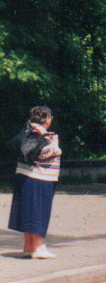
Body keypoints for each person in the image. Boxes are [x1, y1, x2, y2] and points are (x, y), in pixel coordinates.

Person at [7, 106, 62, 259]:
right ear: (47, 119)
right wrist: (55, 146)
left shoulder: (27, 131)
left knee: (29, 211)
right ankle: (37, 248)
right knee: (39, 211)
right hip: (40, 178)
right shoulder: (41, 134)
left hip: (25, 176)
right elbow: (44, 154)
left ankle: (29, 247)